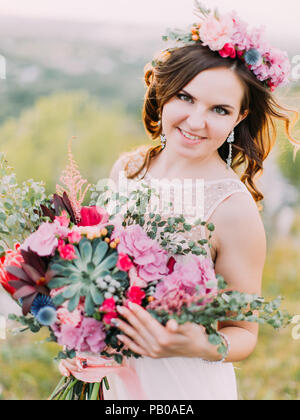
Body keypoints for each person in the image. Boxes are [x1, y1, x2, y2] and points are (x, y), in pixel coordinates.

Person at [60, 2, 300, 400]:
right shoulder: (129, 168)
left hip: (184, 387)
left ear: (238, 118)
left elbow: (243, 333)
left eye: (219, 109)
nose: (195, 121)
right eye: (185, 98)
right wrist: (79, 336)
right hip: (114, 380)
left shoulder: (233, 209)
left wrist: (198, 344)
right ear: (164, 94)